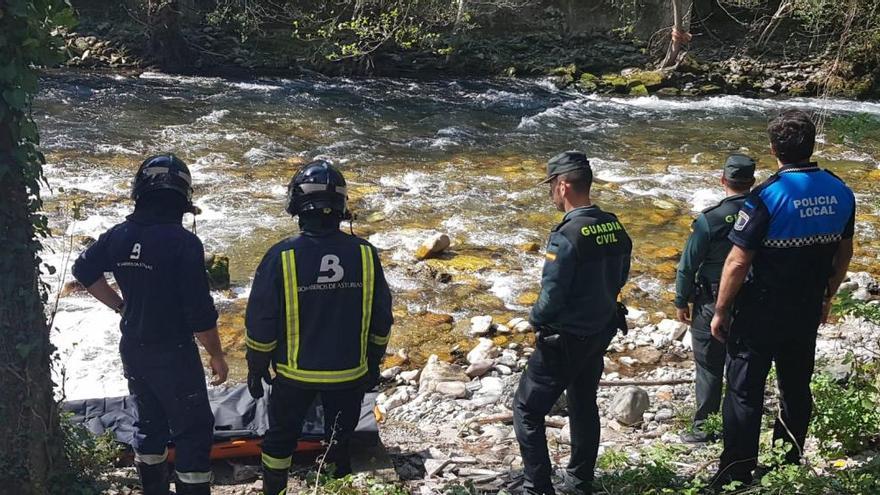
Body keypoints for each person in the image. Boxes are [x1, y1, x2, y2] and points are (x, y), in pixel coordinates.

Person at [710, 110, 856, 486]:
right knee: (795, 387)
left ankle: (736, 473)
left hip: (760, 310)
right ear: (812, 146)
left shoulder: (767, 196)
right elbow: (844, 255)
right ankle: (786, 465)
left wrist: (721, 310)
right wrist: (828, 295)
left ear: (774, 149)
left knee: (744, 391)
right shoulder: (841, 190)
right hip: (806, 307)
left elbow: (738, 261)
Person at [72, 154, 228, 495]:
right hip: (173, 352)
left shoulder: (118, 235)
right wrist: (217, 354)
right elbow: (200, 314)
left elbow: (83, 271)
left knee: (149, 423)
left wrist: (120, 306)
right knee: (193, 431)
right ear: (182, 198)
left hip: (133, 347)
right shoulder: (184, 243)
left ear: (140, 192)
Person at [244, 160, 394, 495]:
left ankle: (275, 491)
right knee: (339, 440)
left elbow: (261, 322)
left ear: (297, 204)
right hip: (349, 375)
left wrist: (255, 367)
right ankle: (335, 486)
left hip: (295, 377)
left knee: (280, 440)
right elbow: (381, 319)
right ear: (341, 206)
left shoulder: (281, 256)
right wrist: (373, 362)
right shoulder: (366, 254)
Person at [513, 151, 633, 495]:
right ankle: (580, 481)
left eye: (551, 184)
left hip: (565, 337)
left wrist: (534, 319)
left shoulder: (567, 235)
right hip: (600, 330)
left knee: (525, 409)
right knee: (583, 402)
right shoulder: (613, 223)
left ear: (564, 185)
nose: (550, 192)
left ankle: (537, 486)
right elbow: (620, 276)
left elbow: (552, 294)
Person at [674, 154, 756, 443]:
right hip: (752, 299)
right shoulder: (764, 213)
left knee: (709, 367)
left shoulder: (711, 219)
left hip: (711, 302)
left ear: (723, 181)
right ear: (753, 182)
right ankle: (739, 424)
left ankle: (703, 429)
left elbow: (688, 265)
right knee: (743, 362)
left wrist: (681, 300)